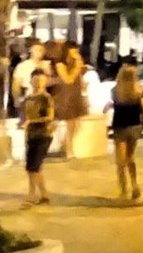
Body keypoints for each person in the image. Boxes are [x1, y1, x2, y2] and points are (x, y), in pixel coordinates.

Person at [109, 63, 143, 202]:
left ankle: (124, 190)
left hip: (120, 126)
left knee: (120, 162)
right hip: (134, 126)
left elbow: (115, 104)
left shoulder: (115, 91)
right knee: (130, 157)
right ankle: (135, 185)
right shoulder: (139, 91)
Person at [20, 69, 56, 206]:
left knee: (33, 167)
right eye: (36, 80)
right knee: (33, 167)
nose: (39, 83)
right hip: (31, 135)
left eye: (41, 80)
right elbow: (25, 115)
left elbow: (50, 117)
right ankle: (44, 195)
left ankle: (31, 194)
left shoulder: (46, 98)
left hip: (43, 134)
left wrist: (32, 121)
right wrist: (24, 122)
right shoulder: (28, 98)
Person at [53, 45, 89, 155]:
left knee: (76, 124)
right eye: (73, 50)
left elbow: (79, 77)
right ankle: (68, 149)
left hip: (76, 95)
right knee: (68, 123)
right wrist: (77, 67)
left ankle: (66, 146)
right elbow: (68, 80)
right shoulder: (60, 64)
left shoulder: (76, 63)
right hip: (65, 96)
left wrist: (83, 84)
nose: (76, 53)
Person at [11, 40, 46, 115]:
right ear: (31, 50)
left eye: (41, 49)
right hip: (28, 101)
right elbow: (16, 85)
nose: (40, 52)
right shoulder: (23, 66)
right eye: (37, 49)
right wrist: (17, 102)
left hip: (44, 102)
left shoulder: (46, 65)